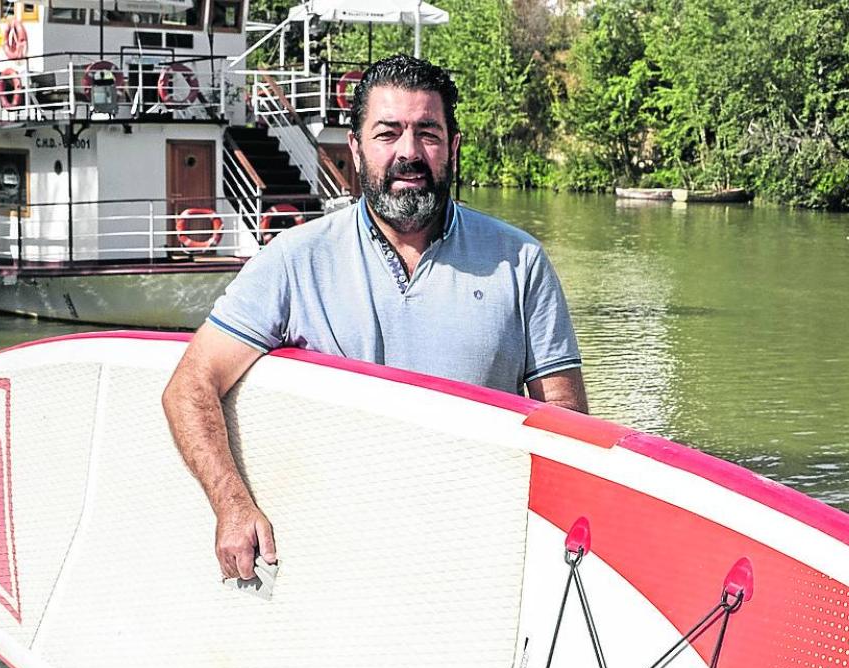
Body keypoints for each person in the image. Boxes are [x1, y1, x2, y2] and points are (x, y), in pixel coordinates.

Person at [162, 54, 586, 581]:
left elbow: (567, 428)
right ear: (356, 151)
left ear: (452, 148)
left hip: (477, 555)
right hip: (333, 553)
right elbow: (191, 384)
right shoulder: (295, 259)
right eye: (388, 133)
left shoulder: (520, 263)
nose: (409, 152)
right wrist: (231, 503)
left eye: (427, 133)